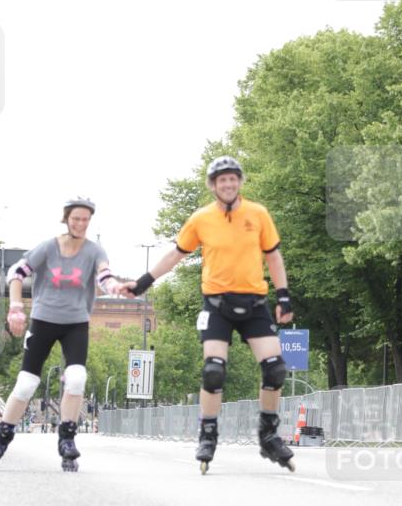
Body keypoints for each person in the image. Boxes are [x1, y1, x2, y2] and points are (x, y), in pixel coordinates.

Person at [120, 156, 295, 473]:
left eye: (233, 179)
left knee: (275, 370)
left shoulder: (258, 214)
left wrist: (283, 296)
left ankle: (268, 435)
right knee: (214, 371)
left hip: (255, 303)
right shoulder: (201, 219)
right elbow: (176, 254)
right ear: (213, 186)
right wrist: (143, 283)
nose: (228, 184)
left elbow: (274, 257)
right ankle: (208, 434)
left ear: (239, 182)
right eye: (221, 180)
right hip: (216, 305)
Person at [0, 197, 122, 472]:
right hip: (43, 320)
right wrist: (16, 308)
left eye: (85, 219)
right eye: (76, 218)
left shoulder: (94, 251)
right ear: (66, 219)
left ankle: (66, 439)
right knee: (26, 384)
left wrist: (114, 285)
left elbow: (104, 275)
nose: (80, 223)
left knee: (77, 378)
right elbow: (17, 272)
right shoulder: (48, 248)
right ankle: (1, 439)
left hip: (76, 323)